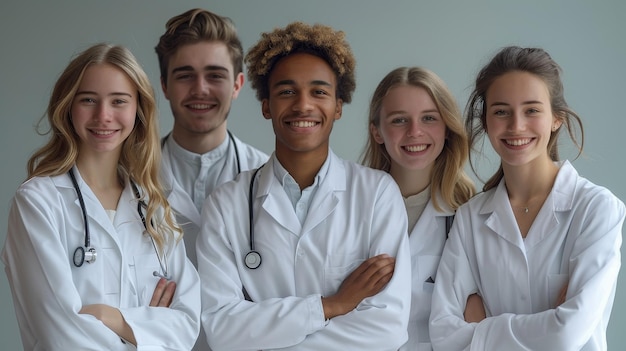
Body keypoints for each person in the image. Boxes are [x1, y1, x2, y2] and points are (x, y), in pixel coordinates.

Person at [196, 22, 411, 350]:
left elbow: (387, 329)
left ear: (338, 106)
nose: (303, 105)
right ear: (266, 105)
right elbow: (222, 330)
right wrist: (332, 305)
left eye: (319, 91)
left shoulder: (377, 194)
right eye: (286, 91)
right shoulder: (226, 204)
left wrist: (269, 334)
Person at [1, 43, 200, 350]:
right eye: (88, 100)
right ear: (68, 106)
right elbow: (61, 334)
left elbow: (187, 325)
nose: (103, 115)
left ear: (138, 110)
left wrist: (115, 319)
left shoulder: (154, 206)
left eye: (119, 101)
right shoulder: (38, 202)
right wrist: (145, 328)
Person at [429, 46, 624, 350]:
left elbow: (567, 334)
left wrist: (483, 329)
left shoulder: (596, 209)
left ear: (556, 118)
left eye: (532, 110)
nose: (516, 126)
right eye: (501, 111)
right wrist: (549, 319)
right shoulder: (470, 217)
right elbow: (443, 335)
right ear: (486, 119)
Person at [361, 66, 475, 350]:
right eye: (399, 120)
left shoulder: (472, 212)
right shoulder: (351, 207)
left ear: (447, 128)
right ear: (377, 131)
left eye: (429, 118)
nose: (415, 132)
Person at [155, 8, 268, 267]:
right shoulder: (130, 175)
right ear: (164, 86)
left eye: (215, 75)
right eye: (185, 76)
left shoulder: (266, 176)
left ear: (237, 85)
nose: (200, 89)